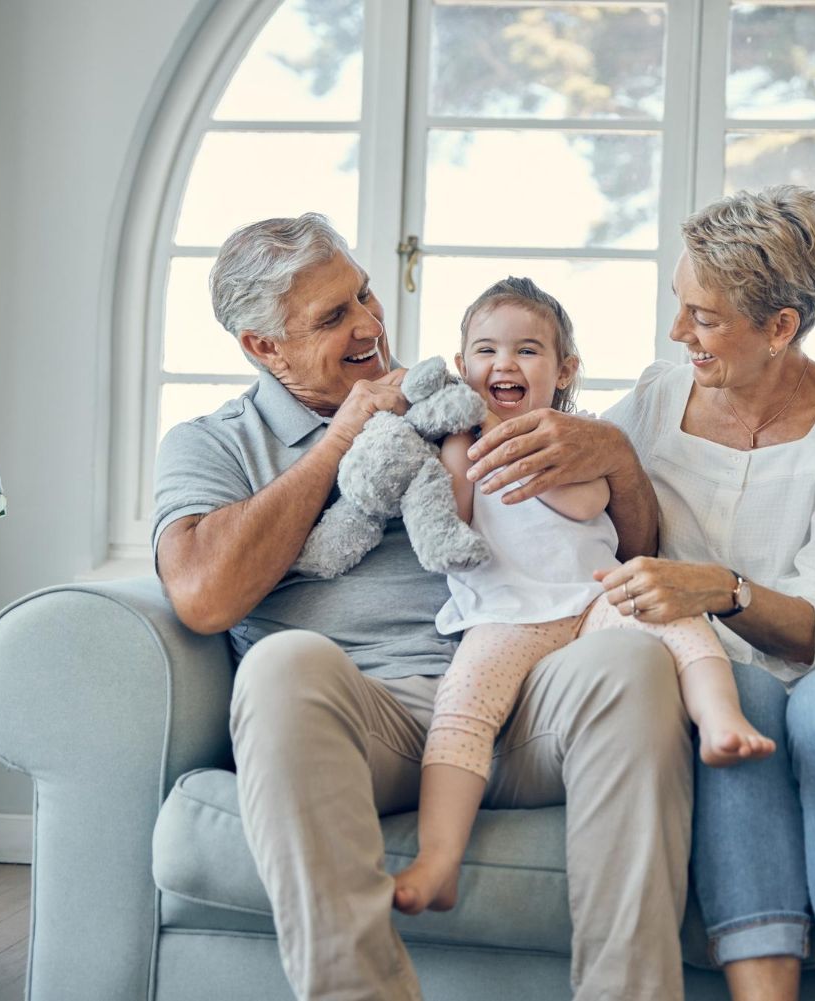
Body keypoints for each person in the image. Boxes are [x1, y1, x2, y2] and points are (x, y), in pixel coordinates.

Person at [151, 214, 695, 1001]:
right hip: (378, 718)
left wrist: (614, 458)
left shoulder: (459, 395)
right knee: (277, 666)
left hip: (529, 696)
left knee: (631, 656)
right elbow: (203, 595)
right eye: (334, 317)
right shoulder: (214, 443)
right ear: (262, 347)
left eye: (365, 294)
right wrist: (343, 438)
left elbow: (626, 548)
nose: (371, 325)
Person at [467, 186, 815, 999]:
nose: (680, 332)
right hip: (726, 681)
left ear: (780, 326)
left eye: (706, 317)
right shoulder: (654, 398)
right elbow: (563, 501)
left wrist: (721, 588)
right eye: (679, 306)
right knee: (743, 699)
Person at [391, 277, 775, 916]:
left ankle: (720, 719)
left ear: (564, 369)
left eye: (528, 352)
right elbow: (452, 521)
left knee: (677, 620)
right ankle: (439, 859)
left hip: (590, 597)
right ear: (462, 369)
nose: (504, 365)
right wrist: (457, 444)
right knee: (460, 710)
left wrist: (520, 442)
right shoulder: (456, 441)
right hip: (504, 613)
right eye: (486, 352)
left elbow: (584, 501)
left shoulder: (577, 432)